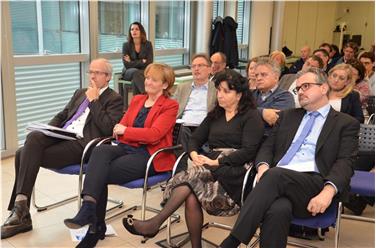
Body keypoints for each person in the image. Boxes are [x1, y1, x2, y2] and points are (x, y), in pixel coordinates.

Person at [220, 67, 360, 248]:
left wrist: (327, 192)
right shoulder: (288, 116)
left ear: (324, 88)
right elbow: (267, 147)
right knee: (278, 208)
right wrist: (263, 167)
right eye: (298, 88)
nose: (300, 91)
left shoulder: (345, 123)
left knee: (276, 175)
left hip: (314, 185)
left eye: (306, 86)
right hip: (278, 183)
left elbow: (345, 163)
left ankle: (231, 242)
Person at [123, 69, 265, 248]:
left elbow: (249, 150)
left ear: (240, 95)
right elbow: (195, 139)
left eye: (226, 91)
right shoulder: (216, 114)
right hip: (209, 167)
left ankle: (154, 223)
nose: (220, 95)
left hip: (235, 171)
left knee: (189, 181)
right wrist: (193, 154)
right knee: (190, 194)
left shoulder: (251, 116)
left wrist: (217, 161)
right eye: (219, 90)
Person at [1, 58, 124, 239]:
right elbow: (62, 115)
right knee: (34, 138)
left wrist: (94, 101)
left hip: (83, 144)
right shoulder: (80, 92)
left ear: (107, 77)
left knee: (22, 153)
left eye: (97, 73)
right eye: (90, 72)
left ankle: (21, 213)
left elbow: (108, 129)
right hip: (63, 136)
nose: (92, 76)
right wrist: (49, 132)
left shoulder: (114, 99)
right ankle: (21, 208)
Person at [63, 63, 178, 248]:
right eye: (147, 77)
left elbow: (154, 135)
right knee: (100, 151)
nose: (148, 82)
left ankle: (94, 227)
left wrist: (126, 130)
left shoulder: (170, 106)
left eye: (154, 79)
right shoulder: (138, 100)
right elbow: (118, 128)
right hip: (126, 146)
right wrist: (125, 130)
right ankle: (89, 208)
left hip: (149, 155)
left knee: (99, 173)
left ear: (165, 85)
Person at [173, 54, 217, 152]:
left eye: (200, 65)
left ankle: (187, 160)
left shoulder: (216, 88)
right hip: (184, 126)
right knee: (181, 132)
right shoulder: (182, 87)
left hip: (204, 126)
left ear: (210, 69)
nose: (196, 69)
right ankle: (186, 160)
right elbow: (172, 107)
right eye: (194, 66)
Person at [252, 58, 294, 136]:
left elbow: (274, 121)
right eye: (256, 75)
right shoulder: (250, 94)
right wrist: (263, 112)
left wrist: (251, 112)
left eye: (263, 74)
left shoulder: (286, 97)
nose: (258, 78)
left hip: (269, 141)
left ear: (276, 77)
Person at [121, 22, 153, 95]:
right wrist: (142, 61)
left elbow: (149, 62)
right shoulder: (126, 45)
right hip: (128, 72)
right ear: (130, 32)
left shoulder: (148, 44)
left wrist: (132, 62)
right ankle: (146, 95)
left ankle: (138, 101)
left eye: (136, 29)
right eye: (132, 29)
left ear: (141, 31)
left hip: (142, 72)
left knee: (135, 80)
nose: (134, 31)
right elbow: (127, 65)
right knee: (136, 72)